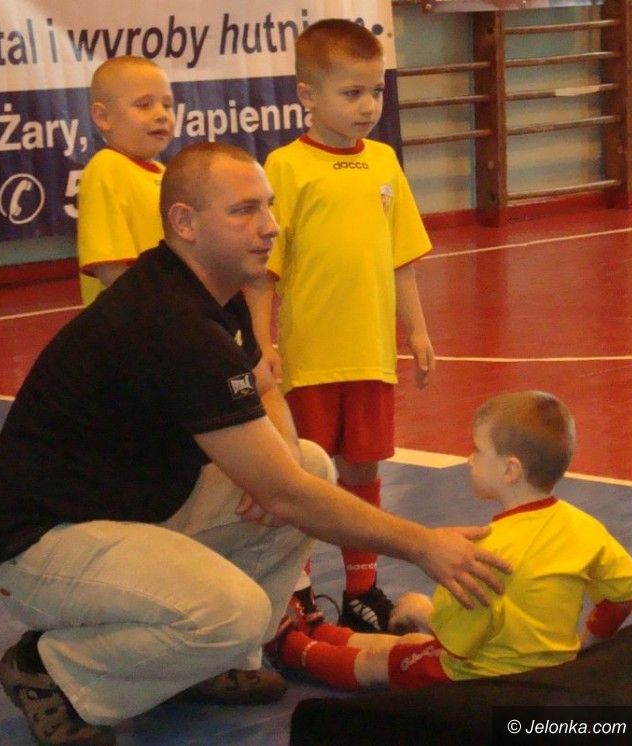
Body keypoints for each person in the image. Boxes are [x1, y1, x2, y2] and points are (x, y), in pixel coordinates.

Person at [0, 143, 511, 745]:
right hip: (39, 551)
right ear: (185, 222)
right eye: (244, 211)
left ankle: (197, 661)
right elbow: (286, 496)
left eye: (269, 206)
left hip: (126, 515)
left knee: (308, 464)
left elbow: (266, 390)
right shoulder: (171, 320)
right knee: (240, 608)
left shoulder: (207, 293)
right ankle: (52, 671)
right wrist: (424, 545)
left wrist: (281, 469)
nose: (270, 226)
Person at [245, 19, 435, 633]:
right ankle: (296, 592)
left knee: (362, 471)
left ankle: (361, 589)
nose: (368, 106)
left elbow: (401, 257)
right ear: (307, 95)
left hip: (372, 356)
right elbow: (264, 271)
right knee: (305, 476)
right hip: (311, 360)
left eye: (376, 91)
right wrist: (261, 342)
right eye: (351, 93)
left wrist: (417, 330)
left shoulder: (384, 161)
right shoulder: (285, 166)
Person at [274, 391, 632, 691]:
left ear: (510, 470)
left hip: (478, 675)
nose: (469, 459)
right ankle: (324, 633)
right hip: (545, 666)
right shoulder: (585, 528)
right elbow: (622, 596)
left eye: (477, 450)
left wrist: (423, 611)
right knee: (408, 645)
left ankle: (295, 650)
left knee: (382, 661)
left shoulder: (488, 550)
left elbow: (456, 644)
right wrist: (586, 643)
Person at [77, 55, 175, 304]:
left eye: (167, 105)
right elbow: (110, 266)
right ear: (103, 117)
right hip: (133, 317)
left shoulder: (164, 173)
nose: (161, 115)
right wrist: (159, 306)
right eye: (144, 105)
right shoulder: (106, 169)